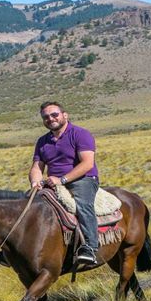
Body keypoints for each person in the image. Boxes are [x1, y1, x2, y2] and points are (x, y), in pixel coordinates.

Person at [30, 101, 101, 265]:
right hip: (53, 182)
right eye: (46, 117)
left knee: (83, 205)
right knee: (26, 204)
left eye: (54, 114)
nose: (50, 118)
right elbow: (36, 167)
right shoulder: (42, 141)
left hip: (83, 179)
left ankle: (90, 247)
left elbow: (87, 163)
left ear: (64, 115)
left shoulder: (80, 134)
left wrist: (62, 180)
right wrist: (35, 181)